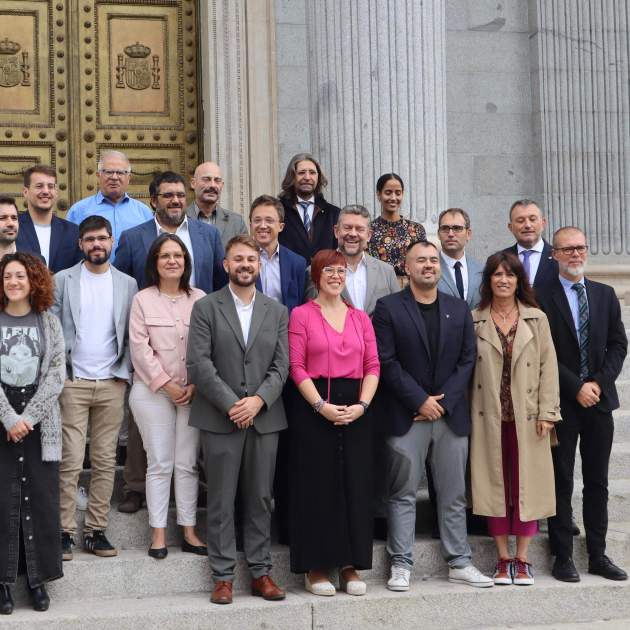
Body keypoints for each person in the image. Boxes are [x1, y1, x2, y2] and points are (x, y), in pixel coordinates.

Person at [372, 240, 493, 591]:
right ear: (407, 267)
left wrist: (442, 402)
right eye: (420, 260)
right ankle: (401, 563)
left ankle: (459, 562)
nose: (428, 265)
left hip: (449, 416)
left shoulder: (458, 308)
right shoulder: (388, 308)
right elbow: (386, 361)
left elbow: (467, 360)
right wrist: (420, 401)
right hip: (407, 416)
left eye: (432, 260)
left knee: (454, 494)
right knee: (403, 493)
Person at [187, 234, 289, 605]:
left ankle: (261, 572)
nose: (245, 265)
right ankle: (223, 577)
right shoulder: (206, 307)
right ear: (226, 265)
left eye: (251, 259)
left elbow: (281, 365)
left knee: (260, 497)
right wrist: (233, 404)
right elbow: (199, 363)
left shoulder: (276, 311)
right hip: (220, 417)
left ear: (259, 266)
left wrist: (258, 401)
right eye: (238, 259)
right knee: (221, 499)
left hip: (264, 418)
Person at [538, 227, 628, 583]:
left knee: (597, 482)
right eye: (567, 249)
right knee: (560, 480)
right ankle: (562, 556)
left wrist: (598, 384)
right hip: (561, 401)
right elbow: (544, 351)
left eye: (580, 248)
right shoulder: (541, 296)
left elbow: (619, 345)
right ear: (555, 255)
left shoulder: (604, 294)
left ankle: (598, 555)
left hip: (599, 402)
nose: (575, 254)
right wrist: (576, 386)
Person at [288, 249, 380, 597]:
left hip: (356, 407)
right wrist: (320, 406)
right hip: (315, 405)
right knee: (318, 486)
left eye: (341, 271)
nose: (336, 276)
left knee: (354, 485)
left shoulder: (360, 318)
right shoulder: (301, 315)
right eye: (328, 270)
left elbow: (373, 365)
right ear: (316, 276)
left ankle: (349, 564)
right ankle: (315, 566)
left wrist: (363, 405)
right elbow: (297, 366)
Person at [470, 251, 560, 586]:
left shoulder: (536, 318)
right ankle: (502, 557)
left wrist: (548, 412)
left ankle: (522, 559)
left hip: (529, 417)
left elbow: (548, 366)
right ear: (488, 280)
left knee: (526, 485)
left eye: (510, 274)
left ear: (519, 280)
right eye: (497, 274)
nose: (503, 280)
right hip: (488, 416)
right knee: (494, 484)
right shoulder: (475, 319)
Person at [52, 216, 137, 561]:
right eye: (90, 239)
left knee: (104, 460)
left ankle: (96, 531)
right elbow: (53, 328)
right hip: (73, 382)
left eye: (102, 238)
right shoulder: (63, 279)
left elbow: (131, 332)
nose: (96, 244)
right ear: (80, 244)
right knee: (70, 460)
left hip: (111, 384)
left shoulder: (128, 283)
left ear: (112, 241)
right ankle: (63, 532)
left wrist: (124, 373)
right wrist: (61, 373)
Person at [128, 234, 206, 558]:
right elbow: (140, 349)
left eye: (178, 255)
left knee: (187, 463)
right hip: (152, 392)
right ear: (155, 262)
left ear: (186, 261)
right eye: (165, 256)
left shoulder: (200, 298)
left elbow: (207, 345)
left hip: (193, 393)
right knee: (160, 462)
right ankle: (158, 534)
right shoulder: (142, 300)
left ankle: (189, 531)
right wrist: (167, 384)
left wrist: (195, 384)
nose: (172, 261)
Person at [0, 252, 66, 615]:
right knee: (2, 501)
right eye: (7, 276)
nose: (13, 282)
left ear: (33, 280)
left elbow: (56, 373)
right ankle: (3, 582)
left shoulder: (48, 322)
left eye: (20, 276)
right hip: (2, 418)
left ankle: (38, 581)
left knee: (40, 500)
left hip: (40, 420)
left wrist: (28, 417)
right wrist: (9, 418)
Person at [115, 171, 226, 293]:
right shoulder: (132, 238)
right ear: (154, 201)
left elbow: (222, 283)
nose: (176, 201)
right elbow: (119, 285)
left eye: (181, 195)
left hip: (200, 305)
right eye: (168, 195)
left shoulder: (210, 235)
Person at [305, 205, 399, 314]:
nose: (353, 234)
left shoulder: (387, 272)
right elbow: (311, 314)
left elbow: (397, 312)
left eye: (360, 229)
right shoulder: (315, 270)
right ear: (336, 231)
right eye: (347, 228)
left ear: (369, 235)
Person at [66, 150, 153, 262]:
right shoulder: (78, 211)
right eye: (109, 172)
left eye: (120, 173)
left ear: (129, 178)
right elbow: (69, 251)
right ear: (98, 176)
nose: (114, 177)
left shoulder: (144, 212)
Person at [17, 165, 82, 273]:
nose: (46, 191)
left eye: (50, 186)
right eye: (39, 186)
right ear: (25, 192)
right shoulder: (14, 228)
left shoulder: (73, 231)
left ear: (56, 192)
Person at [278, 153, 340, 261]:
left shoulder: (334, 213)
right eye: (301, 173)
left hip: (325, 271)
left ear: (318, 177)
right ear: (292, 177)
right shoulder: (278, 211)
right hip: (290, 271)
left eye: (312, 172)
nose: (307, 177)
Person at [250, 194, 307, 314]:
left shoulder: (297, 263)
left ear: (281, 227)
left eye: (269, 220)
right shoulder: (238, 262)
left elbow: (301, 306)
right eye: (257, 220)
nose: (263, 226)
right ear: (251, 225)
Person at [367, 173, 426, 279]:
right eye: (388, 193)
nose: (393, 198)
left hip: (412, 286)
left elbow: (423, 262)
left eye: (398, 193)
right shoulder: (369, 230)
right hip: (380, 286)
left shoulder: (417, 229)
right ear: (379, 195)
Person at [186, 161, 247, 247]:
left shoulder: (236, 222)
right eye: (206, 179)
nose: (212, 185)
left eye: (217, 180)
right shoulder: (181, 219)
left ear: (222, 185)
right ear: (193, 183)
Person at [504, 199, 558, 290]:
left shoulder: (559, 257)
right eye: (520, 221)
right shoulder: (501, 259)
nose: (528, 225)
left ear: (543, 223)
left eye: (532, 219)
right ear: (510, 227)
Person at [437, 208, 483, 309]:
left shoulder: (481, 270)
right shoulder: (430, 269)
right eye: (445, 228)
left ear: (468, 234)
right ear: (438, 234)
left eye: (457, 228)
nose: (450, 234)